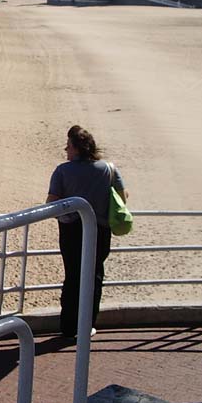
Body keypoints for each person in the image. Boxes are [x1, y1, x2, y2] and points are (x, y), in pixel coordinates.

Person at [45, 125, 127, 338]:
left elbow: (51, 202)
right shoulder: (109, 168)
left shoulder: (63, 170)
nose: (66, 150)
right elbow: (122, 198)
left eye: (69, 146)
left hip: (71, 230)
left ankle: (69, 326)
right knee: (95, 275)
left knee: (73, 276)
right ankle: (87, 325)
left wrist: (65, 214)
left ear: (77, 148)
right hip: (100, 230)